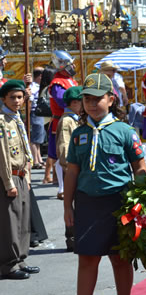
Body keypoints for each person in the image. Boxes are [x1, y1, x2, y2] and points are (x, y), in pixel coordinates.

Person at [62, 73, 146, 295]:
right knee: (87, 258)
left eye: (97, 98)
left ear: (111, 99)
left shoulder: (125, 131)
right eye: (87, 98)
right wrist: (67, 206)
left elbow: (140, 169)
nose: (91, 103)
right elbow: (72, 171)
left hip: (118, 203)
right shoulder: (79, 134)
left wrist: (140, 204)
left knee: (120, 259)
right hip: (88, 203)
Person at [0, 80, 40, 280]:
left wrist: (29, 175)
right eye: (12, 97)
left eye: (20, 97)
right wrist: (8, 183)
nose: (17, 101)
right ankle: (8, 264)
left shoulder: (16, 118)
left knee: (24, 219)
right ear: (3, 99)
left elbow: (24, 149)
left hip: (23, 175)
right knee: (11, 223)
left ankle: (21, 259)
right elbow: (3, 155)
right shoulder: (2, 121)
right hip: (10, 177)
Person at [56, 86, 83, 251]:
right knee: (73, 205)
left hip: (78, 168)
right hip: (73, 169)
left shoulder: (75, 119)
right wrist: (71, 167)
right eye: (81, 101)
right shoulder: (67, 121)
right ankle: (72, 238)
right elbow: (64, 148)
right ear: (73, 103)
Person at [49, 50, 79, 189]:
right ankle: (62, 187)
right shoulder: (57, 83)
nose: (73, 67)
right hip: (62, 120)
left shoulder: (72, 81)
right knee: (61, 153)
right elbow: (63, 101)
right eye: (71, 64)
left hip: (76, 119)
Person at [38, 67, 57, 183]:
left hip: (46, 120)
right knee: (53, 150)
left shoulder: (44, 88)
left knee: (52, 149)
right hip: (51, 119)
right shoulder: (50, 88)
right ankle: (51, 175)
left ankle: (48, 175)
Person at [29, 67, 45, 169]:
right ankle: (35, 160)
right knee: (35, 138)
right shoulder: (33, 87)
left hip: (39, 114)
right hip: (35, 113)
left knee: (39, 138)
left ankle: (39, 158)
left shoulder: (38, 86)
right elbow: (30, 102)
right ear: (39, 76)